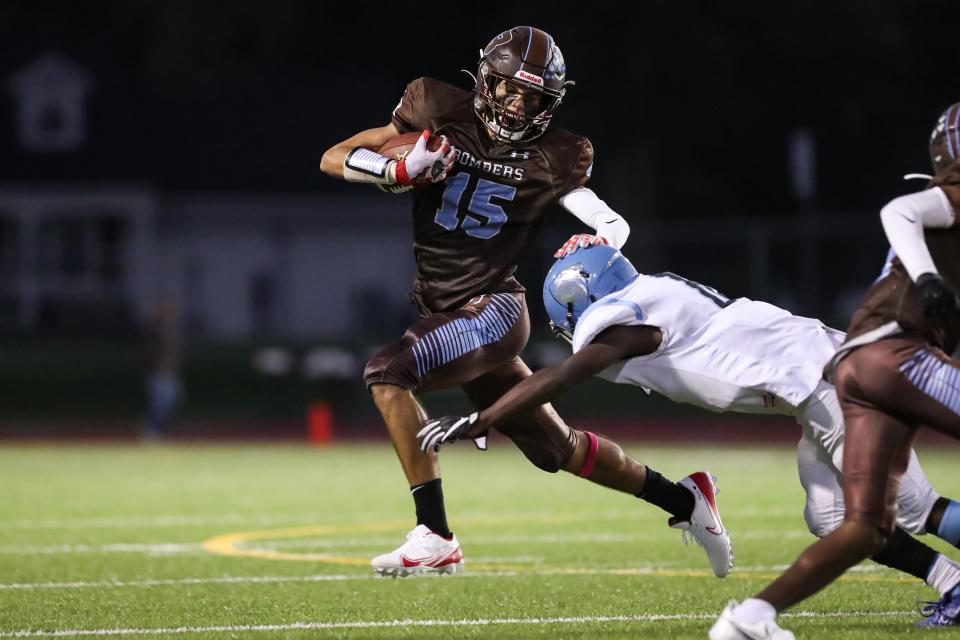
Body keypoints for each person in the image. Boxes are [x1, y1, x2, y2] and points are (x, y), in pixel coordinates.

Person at [320, 26, 731, 578]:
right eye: (510, 89)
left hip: (493, 309)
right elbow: (334, 156)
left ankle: (435, 534)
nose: (517, 105)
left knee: (387, 372)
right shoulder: (437, 107)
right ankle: (686, 501)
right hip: (450, 313)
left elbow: (611, 221)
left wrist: (601, 241)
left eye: (532, 97)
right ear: (487, 79)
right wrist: (395, 170)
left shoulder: (556, 155)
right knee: (554, 449)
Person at [417, 241, 960, 628]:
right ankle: (951, 583)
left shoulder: (625, 327)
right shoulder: (652, 292)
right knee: (830, 518)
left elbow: (560, 375)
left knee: (911, 508)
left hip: (834, 388)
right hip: (817, 386)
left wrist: (482, 418)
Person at [708, 103, 960, 638]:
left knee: (867, 526)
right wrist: (930, 283)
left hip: (854, 368)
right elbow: (899, 212)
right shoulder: (949, 200)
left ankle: (749, 618)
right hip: (895, 357)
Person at [142, 292, 183, 440]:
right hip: (158, 372)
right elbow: (151, 352)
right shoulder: (153, 328)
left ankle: (159, 429)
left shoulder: (170, 328)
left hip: (169, 372)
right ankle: (152, 430)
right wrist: (159, 365)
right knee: (159, 402)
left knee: (172, 399)